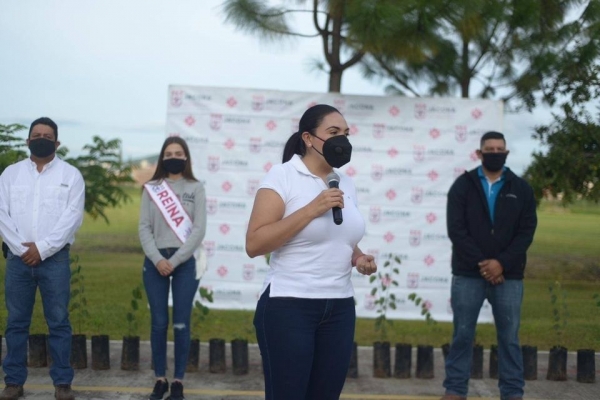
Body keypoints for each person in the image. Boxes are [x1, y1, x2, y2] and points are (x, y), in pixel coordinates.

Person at [246, 104, 377, 400]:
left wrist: (358, 257)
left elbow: (340, 237)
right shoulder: (282, 176)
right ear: (308, 138)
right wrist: (311, 209)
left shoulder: (345, 182)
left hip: (339, 308)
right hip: (289, 306)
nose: (341, 140)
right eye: (333, 133)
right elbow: (254, 243)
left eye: (345, 134)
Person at [441, 131, 537, 400]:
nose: (495, 152)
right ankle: (455, 390)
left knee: (509, 338)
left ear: (506, 153)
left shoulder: (521, 188)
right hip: (468, 274)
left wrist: (501, 264)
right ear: (479, 153)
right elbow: (456, 230)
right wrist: (484, 264)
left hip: (509, 276)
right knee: (462, 335)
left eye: (500, 149)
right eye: (489, 149)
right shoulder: (463, 185)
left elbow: (526, 231)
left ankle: (512, 392)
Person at [0, 117, 85, 400]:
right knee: (16, 322)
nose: (41, 138)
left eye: (47, 135)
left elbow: (71, 218)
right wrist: (23, 249)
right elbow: (2, 215)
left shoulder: (71, 176)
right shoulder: (10, 175)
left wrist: (43, 248)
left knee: (59, 322)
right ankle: (13, 382)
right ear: (27, 141)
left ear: (57, 142)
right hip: (17, 260)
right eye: (36, 134)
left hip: (55, 261)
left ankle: (62, 383)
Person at [139, 136, 206, 400]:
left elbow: (199, 230)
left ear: (186, 157)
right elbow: (144, 227)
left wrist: (174, 260)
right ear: (162, 158)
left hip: (185, 262)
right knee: (158, 323)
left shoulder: (196, 187)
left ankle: (178, 380)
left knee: (180, 323)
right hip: (155, 260)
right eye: (168, 153)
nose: (173, 157)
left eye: (178, 153)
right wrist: (158, 259)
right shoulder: (152, 188)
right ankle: (160, 379)